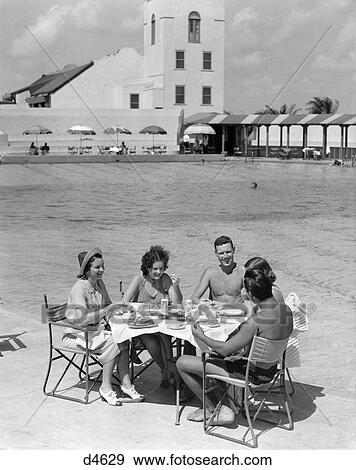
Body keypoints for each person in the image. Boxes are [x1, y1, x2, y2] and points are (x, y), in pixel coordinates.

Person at [176, 268, 293, 424]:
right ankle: (229, 401)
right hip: (271, 370)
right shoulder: (286, 310)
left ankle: (214, 409)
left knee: (182, 362)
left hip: (250, 374)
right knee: (222, 354)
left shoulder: (256, 321)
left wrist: (200, 336)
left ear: (251, 294)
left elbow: (225, 350)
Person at [63, 247, 144, 406]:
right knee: (115, 342)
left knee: (123, 339)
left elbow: (107, 306)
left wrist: (121, 308)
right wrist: (107, 311)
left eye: (103, 266)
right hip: (76, 335)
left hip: (94, 333)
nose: (102, 270)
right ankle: (105, 387)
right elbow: (82, 320)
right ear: (87, 269)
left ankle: (126, 384)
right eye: (97, 267)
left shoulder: (99, 284)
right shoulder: (79, 288)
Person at [123, 245, 183, 388]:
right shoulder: (139, 280)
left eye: (161, 269)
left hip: (160, 324)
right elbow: (125, 302)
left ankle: (168, 373)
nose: (158, 272)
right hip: (143, 325)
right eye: (154, 269)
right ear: (147, 267)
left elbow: (176, 303)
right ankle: (167, 371)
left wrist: (175, 286)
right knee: (153, 342)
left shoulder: (165, 278)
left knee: (164, 336)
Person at [191, 235, 244, 305]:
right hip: (216, 313)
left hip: (238, 313)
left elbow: (253, 299)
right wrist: (207, 305)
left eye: (228, 252)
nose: (225, 256)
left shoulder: (243, 272)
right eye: (221, 253)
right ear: (216, 253)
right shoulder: (210, 273)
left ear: (234, 250)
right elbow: (194, 298)